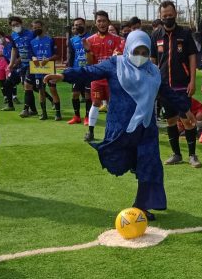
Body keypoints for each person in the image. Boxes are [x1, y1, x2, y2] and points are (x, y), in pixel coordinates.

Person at [44, 30, 190, 219]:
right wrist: (65, 76)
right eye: (136, 51)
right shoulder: (116, 64)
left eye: (145, 52)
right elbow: (90, 72)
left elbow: (168, 93)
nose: (140, 56)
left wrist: (185, 109)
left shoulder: (153, 71)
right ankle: (132, 164)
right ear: (128, 48)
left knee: (151, 165)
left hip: (146, 129)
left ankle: (142, 206)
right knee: (118, 161)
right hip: (122, 129)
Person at [151, 0, 201, 167]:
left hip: (182, 86)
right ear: (160, 16)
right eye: (164, 15)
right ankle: (176, 154)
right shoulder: (156, 35)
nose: (168, 18)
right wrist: (153, 82)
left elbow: (192, 57)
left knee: (187, 121)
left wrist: (192, 81)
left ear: (176, 14)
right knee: (171, 121)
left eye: (170, 15)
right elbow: (152, 60)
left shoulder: (185, 33)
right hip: (164, 87)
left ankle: (192, 155)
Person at [84, 10, 124, 142]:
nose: (102, 23)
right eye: (99, 21)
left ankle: (114, 132)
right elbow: (90, 63)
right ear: (95, 23)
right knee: (95, 103)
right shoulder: (90, 40)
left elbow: (120, 59)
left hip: (113, 79)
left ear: (108, 22)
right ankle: (90, 131)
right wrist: (87, 50)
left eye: (104, 21)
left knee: (113, 105)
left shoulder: (117, 40)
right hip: (97, 78)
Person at [30, 19, 61, 121]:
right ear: (32, 29)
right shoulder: (32, 42)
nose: (37, 29)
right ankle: (44, 113)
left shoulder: (50, 40)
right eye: (35, 28)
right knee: (41, 90)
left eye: (39, 27)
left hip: (49, 69)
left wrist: (48, 59)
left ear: (43, 27)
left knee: (52, 89)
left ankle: (58, 113)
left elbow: (57, 55)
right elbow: (31, 55)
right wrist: (33, 58)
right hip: (38, 70)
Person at [8, 15, 37, 117]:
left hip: (32, 63)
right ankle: (33, 110)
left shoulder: (31, 34)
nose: (15, 26)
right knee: (27, 88)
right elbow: (14, 49)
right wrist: (11, 63)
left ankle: (25, 109)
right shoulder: (13, 35)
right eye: (13, 25)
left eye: (17, 24)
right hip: (22, 65)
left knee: (27, 85)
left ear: (21, 23)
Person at [66, 17, 91, 124]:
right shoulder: (72, 40)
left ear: (84, 25)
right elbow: (71, 56)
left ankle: (87, 117)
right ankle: (76, 116)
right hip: (77, 71)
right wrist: (70, 69)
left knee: (88, 95)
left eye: (80, 24)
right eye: (76, 25)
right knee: (75, 94)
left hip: (89, 71)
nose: (78, 26)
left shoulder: (91, 38)